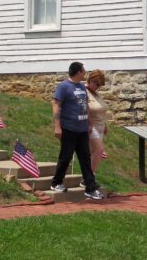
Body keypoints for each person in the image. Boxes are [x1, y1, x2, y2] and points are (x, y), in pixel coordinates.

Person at [51, 61, 103, 200]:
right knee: (65, 157)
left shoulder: (81, 86)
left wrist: (89, 122)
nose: (85, 72)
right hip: (69, 128)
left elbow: (85, 104)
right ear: (78, 72)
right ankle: (56, 182)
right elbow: (56, 106)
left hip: (82, 129)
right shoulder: (64, 87)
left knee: (85, 158)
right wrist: (57, 126)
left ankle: (90, 188)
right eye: (83, 70)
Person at [86, 70, 109, 172]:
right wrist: (89, 123)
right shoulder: (84, 91)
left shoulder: (96, 93)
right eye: (96, 83)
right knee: (99, 150)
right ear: (90, 80)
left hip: (101, 126)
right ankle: (90, 177)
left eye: (100, 85)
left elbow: (102, 109)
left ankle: (89, 176)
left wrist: (105, 125)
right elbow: (84, 108)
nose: (97, 86)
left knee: (93, 152)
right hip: (92, 126)